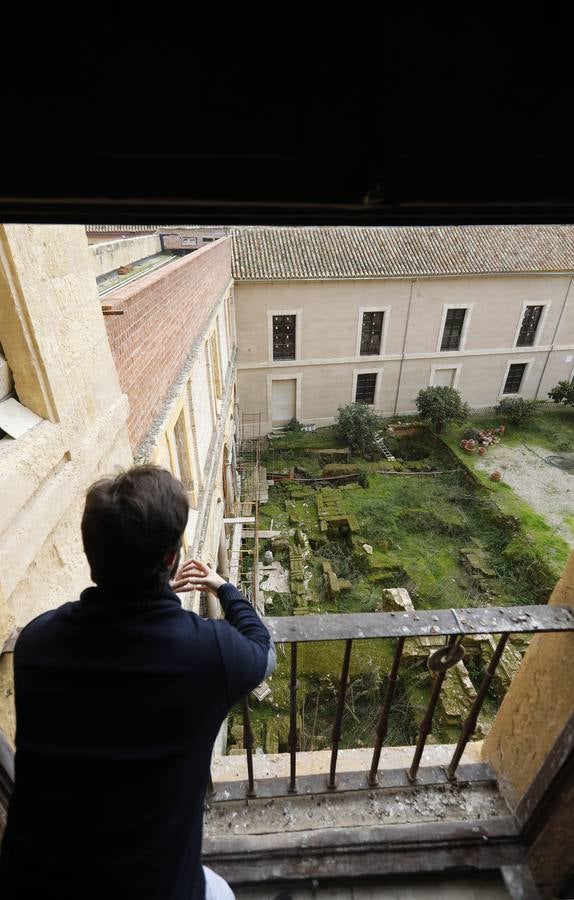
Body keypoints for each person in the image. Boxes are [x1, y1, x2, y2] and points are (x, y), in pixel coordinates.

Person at [0, 465, 275, 900]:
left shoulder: (36, 642)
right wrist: (224, 588)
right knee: (221, 893)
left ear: (93, 558)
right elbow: (264, 648)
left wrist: (163, 601)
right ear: (172, 560)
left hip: (33, 883)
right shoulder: (208, 654)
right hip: (151, 888)